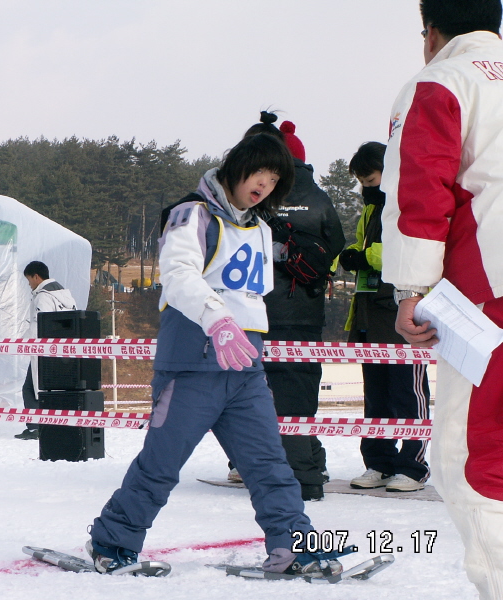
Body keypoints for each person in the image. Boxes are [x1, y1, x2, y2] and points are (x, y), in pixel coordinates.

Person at [86, 134, 351, 578]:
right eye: (259, 174)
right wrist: (218, 320)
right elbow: (177, 275)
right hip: (192, 365)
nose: (264, 185)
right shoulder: (193, 214)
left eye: (273, 180)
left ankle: (294, 548)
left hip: (245, 370)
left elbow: (254, 295)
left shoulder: (261, 229)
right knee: (161, 464)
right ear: (237, 167)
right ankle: (112, 542)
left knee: (270, 465)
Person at [380, 1, 503, 597]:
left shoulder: (443, 81)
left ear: (431, 32)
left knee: (474, 454)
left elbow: (420, 192)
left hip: (490, 297)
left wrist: (411, 291)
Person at [227, 112, 345, 501]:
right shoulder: (320, 196)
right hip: (306, 312)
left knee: (251, 394)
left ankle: (300, 478)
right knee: (300, 395)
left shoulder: (256, 194)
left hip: (258, 310)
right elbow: (337, 244)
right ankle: (311, 462)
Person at [339, 142, 431, 494]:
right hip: (369, 309)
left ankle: (413, 464)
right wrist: (350, 256)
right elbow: (365, 248)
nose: (366, 187)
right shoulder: (371, 209)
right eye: (361, 181)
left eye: (371, 178)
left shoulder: (406, 200)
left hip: (403, 310)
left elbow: (411, 247)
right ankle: (378, 460)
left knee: (407, 392)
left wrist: (368, 256)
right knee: (375, 395)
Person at [15, 261, 77, 440]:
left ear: (36, 276)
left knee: (31, 388)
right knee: (52, 390)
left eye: (29, 280)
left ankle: (35, 427)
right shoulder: (65, 295)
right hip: (63, 351)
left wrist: (26, 344)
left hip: (43, 351)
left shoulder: (43, 297)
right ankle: (53, 423)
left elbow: (39, 324)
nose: (29, 285)